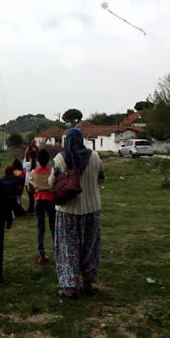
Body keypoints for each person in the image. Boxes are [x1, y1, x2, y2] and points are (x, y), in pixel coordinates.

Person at [49, 128, 105, 299]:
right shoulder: (94, 156)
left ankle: (70, 287)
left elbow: (51, 183)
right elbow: (101, 179)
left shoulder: (60, 158)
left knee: (68, 248)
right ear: (81, 140)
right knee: (89, 248)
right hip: (91, 210)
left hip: (67, 210)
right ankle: (87, 284)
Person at [28, 149, 55, 264]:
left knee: (40, 227)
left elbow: (30, 188)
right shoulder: (52, 172)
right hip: (50, 200)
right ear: (48, 160)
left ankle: (42, 254)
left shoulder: (34, 172)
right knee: (53, 227)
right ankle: (57, 253)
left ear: (38, 160)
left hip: (38, 200)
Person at [23, 151, 40, 215]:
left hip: (28, 183)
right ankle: (35, 209)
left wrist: (25, 156)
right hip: (36, 182)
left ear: (29, 156)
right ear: (36, 157)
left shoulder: (27, 164)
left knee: (30, 197)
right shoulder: (38, 163)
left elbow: (23, 166)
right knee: (35, 197)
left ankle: (31, 210)